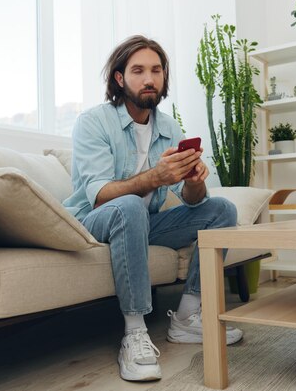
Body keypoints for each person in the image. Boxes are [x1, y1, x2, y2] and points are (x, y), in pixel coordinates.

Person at [62, 35, 242, 382]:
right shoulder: (93, 122)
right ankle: (134, 332)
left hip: (143, 222)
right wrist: (155, 177)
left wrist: (193, 180)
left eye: (156, 70)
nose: (149, 79)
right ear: (119, 78)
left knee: (221, 209)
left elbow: (193, 201)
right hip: (94, 221)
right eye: (138, 70)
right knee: (128, 204)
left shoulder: (169, 128)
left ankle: (187, 319)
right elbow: (100, 195)